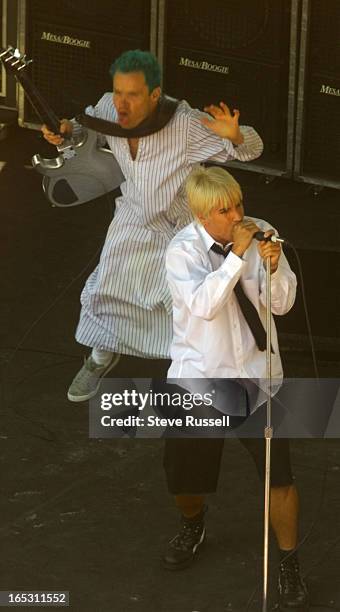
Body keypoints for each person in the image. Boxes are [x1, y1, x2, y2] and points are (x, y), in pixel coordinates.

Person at [41, 49, 263, 402]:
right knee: (108, 287)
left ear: (155, 95)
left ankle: (188, 372)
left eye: (133, 95)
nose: (122, 103)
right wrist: (66, 132)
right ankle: (100, 355)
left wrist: (235, 136)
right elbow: (85, 129)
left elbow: (252, 149)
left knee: (181, 300)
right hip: (132, 212)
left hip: (179, 222)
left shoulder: (185, 124)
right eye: (118, 92)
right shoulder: (107, 108)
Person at [163, 166, 309, 610]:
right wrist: (235, 257)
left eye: (238, 204)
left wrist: (273, 265)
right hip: (201, 380)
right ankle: (194, 523)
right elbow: (206, 305)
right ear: (202, 215)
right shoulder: (181, 251)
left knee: (279, 478)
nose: (236, 215)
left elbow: (282, 304)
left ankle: (289, 560)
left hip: (257, 378)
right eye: (224, 210)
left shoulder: (262, 232)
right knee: (185, 481)